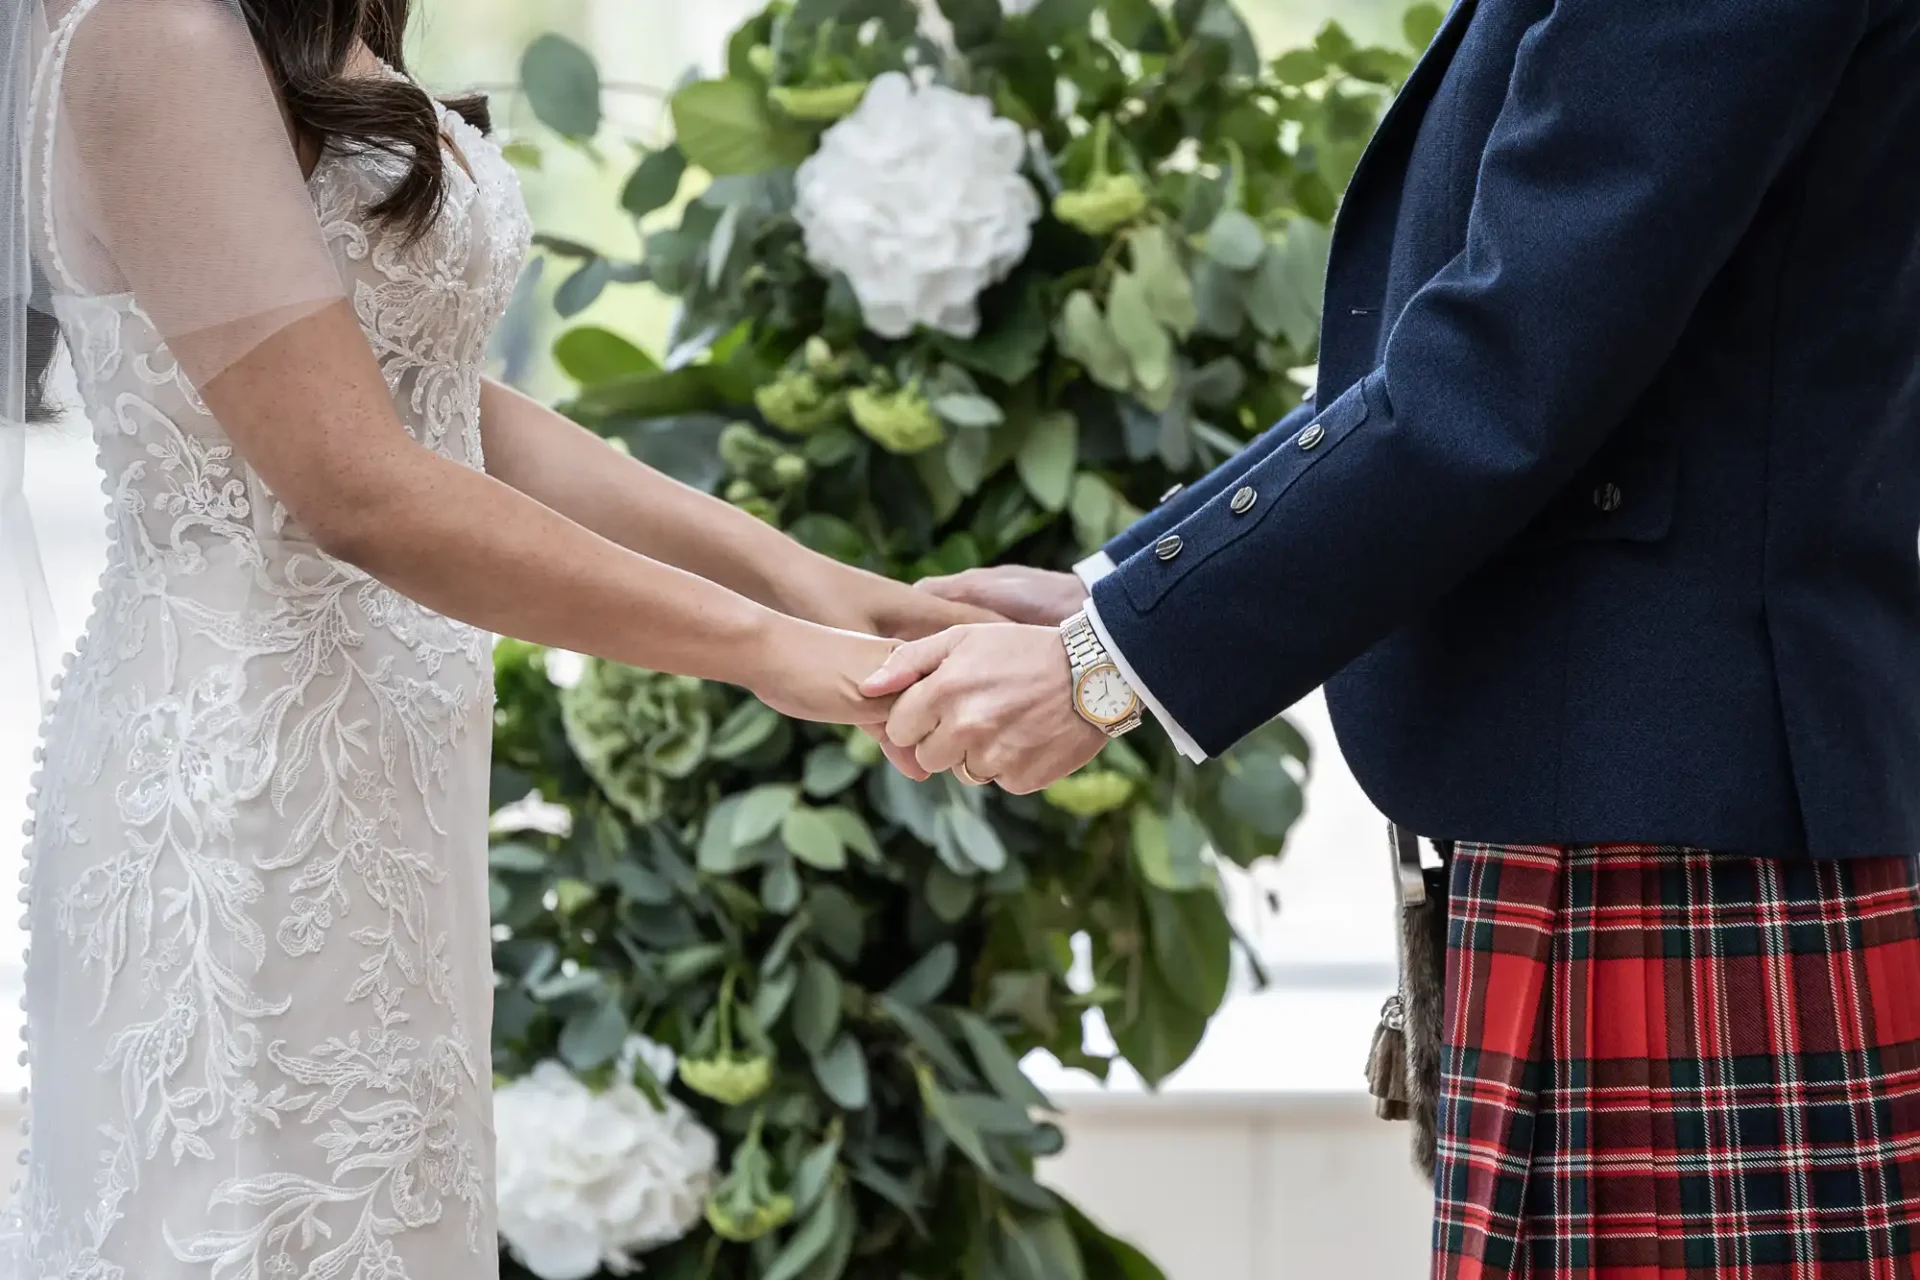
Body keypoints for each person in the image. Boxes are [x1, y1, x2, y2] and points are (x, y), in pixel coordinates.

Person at [864, 0, 1920, 1274]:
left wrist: (1114, 661)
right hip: (1632, 822)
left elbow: (1506, 361)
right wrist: (1117, 593)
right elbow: (1477, 351)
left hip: (1677, 851)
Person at [0, 1, 981, 1275]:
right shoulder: (156, 29)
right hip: (241, 804)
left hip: (379, 792)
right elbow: (358, 484)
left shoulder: (300, 16)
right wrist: (772, 654)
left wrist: (824, 589)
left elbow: (430, 397)